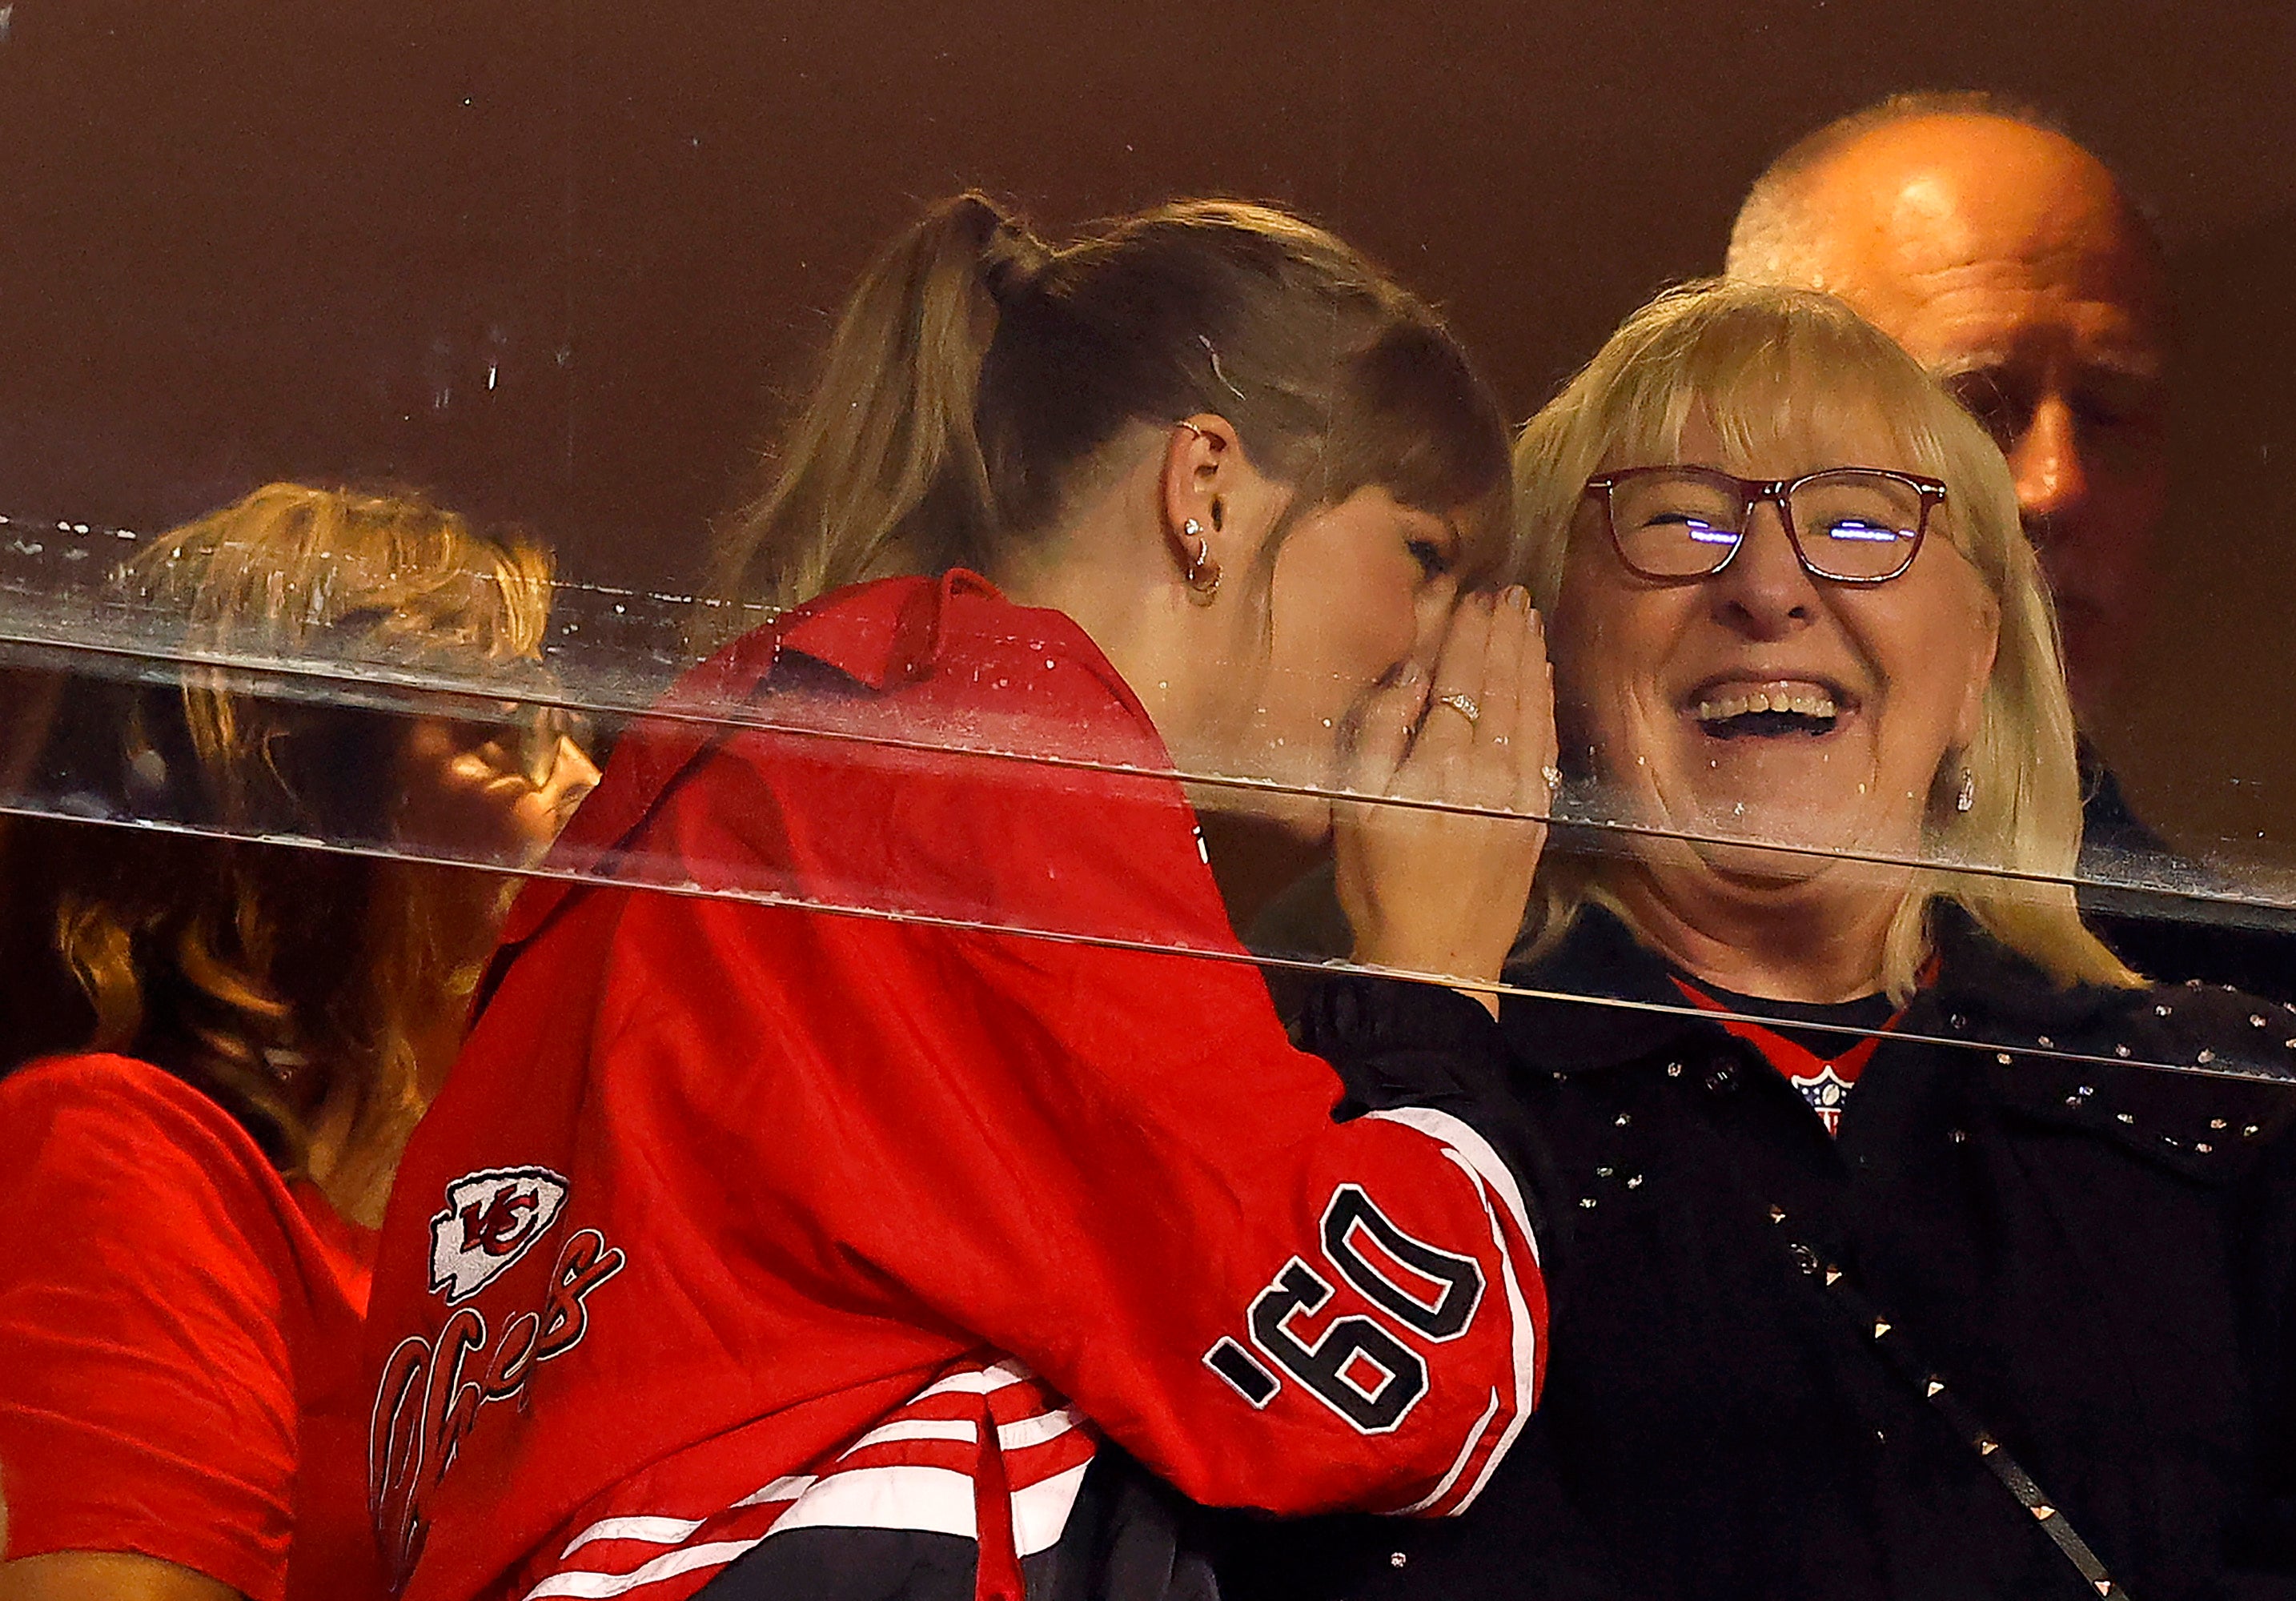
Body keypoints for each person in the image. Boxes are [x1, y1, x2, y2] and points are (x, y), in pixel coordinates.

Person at [358, 193, 1559, 1601]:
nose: (1443, 647)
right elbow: (1380, 1384)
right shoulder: (998, 751)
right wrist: (1435, 972)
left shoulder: (766, 749)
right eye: (1425, 558)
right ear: (1210, 489)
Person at [1234, 279, 2296, 1601]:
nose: (1771, 586)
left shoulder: (2242, 1111)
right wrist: (1418, 1023)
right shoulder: (1366, 1106)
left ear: (1977, 667)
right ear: (1541, 656)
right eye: (1679, 519)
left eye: (1861, 522)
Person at [1723, 90, 2296, 1085]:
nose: (2055, 484)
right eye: (1975, 407)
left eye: (2111, 411)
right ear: (1736, 445)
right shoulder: (1512, 926)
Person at [0, 484, 596, 1601]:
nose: (591, 792)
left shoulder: (499, 1222)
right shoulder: (126, 1155)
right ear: (305, 800)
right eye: (502, 734)